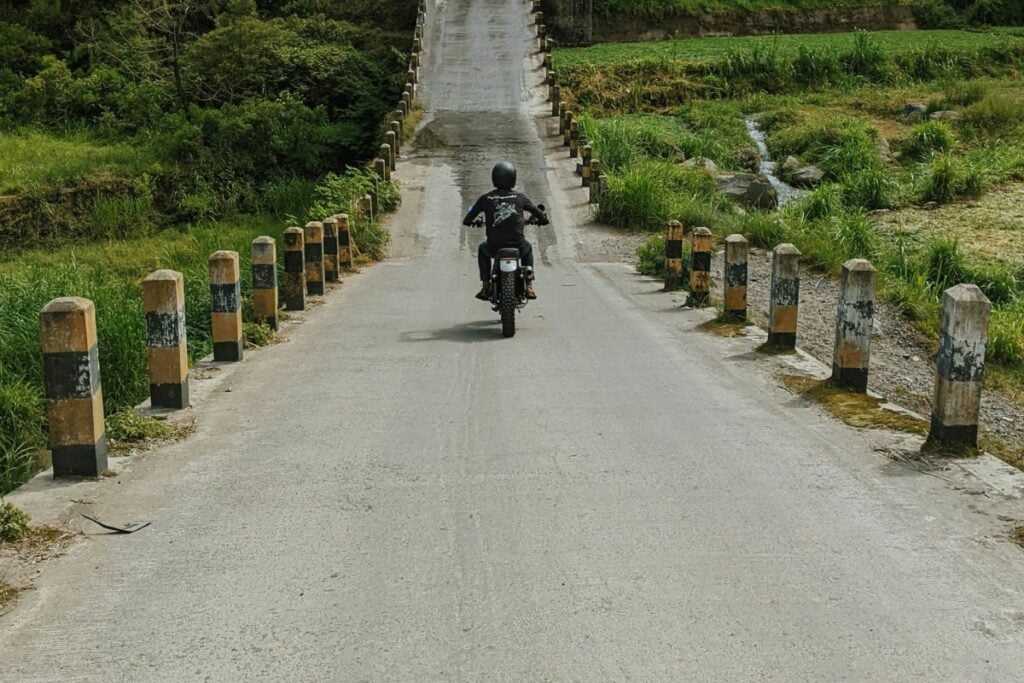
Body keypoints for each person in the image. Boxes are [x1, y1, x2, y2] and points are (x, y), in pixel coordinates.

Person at [462, 161, 548, 301]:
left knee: (482, 249)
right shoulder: (521, 198)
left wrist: (473, 221)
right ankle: (529, 284)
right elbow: (539, 213)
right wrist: (542, 219)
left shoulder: (486, 198)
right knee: (528, 248)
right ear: (513, 178)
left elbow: (468, 219)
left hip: (494, 247)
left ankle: (485, 285)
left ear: (494, 178)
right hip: (518, 246)